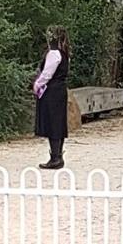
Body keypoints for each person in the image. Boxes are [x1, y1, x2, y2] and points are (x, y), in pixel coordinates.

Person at [33, 25, 70, 169]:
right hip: (60, 89)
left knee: (53, 122)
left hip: (52, 90)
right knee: (58, 122)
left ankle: (55, 157)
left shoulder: (54, 54)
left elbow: (47, 74)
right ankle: (57, 155)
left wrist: (37, 84)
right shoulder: (65, 53)